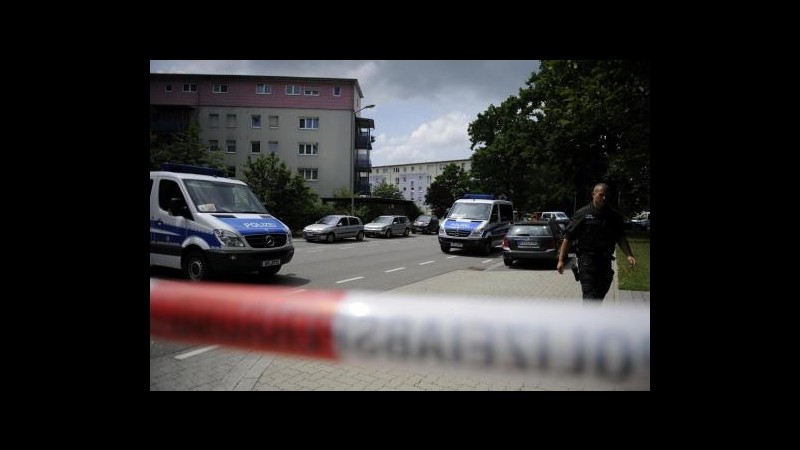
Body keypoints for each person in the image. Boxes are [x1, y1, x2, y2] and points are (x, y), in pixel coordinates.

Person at [556, 183, 637, 301]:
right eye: (601, 195)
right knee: (590, 297)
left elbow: (621, 237)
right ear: (593, 195)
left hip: (605, 262)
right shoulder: (582, 214)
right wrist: (561, 260)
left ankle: (593, 317)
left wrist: (629, 255)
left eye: (606, 196)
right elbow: (568, 237)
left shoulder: (614, 215)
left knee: (599, 296)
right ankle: (589, 318)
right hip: (587, 262)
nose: (604, 198)